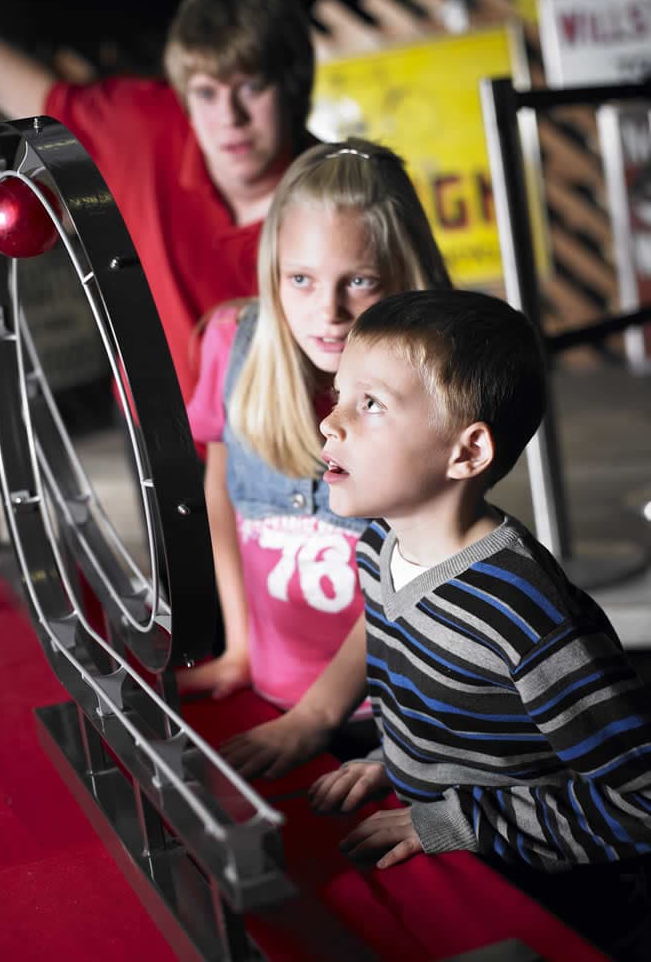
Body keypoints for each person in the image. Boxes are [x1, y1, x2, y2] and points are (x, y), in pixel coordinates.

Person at [262, 288, 651, 960]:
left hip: (550, 904)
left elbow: (641, 803)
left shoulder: (525, 616)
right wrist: (399, 762)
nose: (330, 423)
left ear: (466, 453)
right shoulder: (377, 547)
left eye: (370, 404)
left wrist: (457, 820)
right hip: (440, 840)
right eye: (337, 396)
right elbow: (462, 714)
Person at [178, 140, 451, 739]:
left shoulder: (438, 381)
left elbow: (424, 560)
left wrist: (318, 714)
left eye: (359, 280)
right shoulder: (231, 342)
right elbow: (221, 497)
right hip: (273, 697)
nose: (328, 311)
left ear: (406, 275)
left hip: (403, 716)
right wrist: (240, 648)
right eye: (300, 279)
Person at [0, 0, 316, 400]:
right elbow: (36, 99)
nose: (230, 117)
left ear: (291, 85)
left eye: (251, 87)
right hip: (155, 432)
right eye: (207, 93)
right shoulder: (144, 127)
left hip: (295, 440)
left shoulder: (340, 195)